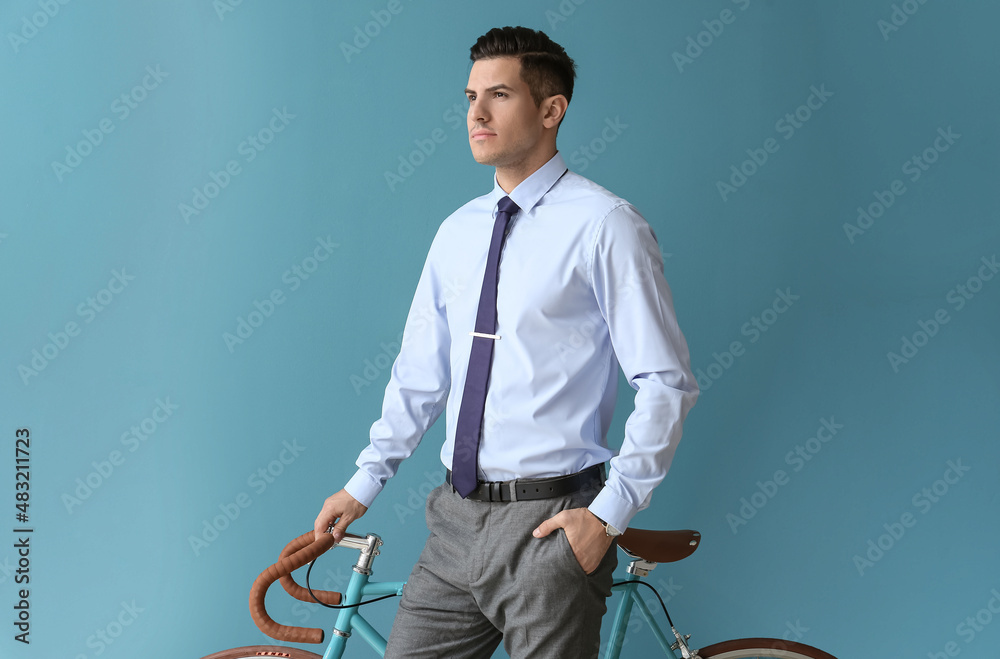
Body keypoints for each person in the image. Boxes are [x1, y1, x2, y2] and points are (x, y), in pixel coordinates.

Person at [314, 25, 698, 658]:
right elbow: (420, 374)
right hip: (454, 520)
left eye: (499, 95)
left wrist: (606, 517)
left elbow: (666, 383)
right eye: (469, 97)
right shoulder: (456, 232)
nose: (477, 114)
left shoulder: (605, 226)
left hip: (553, 522)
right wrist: (364, 482)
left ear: (552, 110)